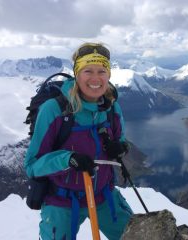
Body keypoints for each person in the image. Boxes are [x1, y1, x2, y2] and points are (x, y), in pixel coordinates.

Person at [24, 42, 133, 240]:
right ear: (76, 74)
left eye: (101, 71)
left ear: (108, 75)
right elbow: (32, 166)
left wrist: (121, 147)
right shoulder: (54, 110)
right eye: (87, 71)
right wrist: (68, 159)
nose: (95, 78)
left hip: (103, 195)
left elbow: (121, 140)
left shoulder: (111, 108)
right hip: (61, 201)